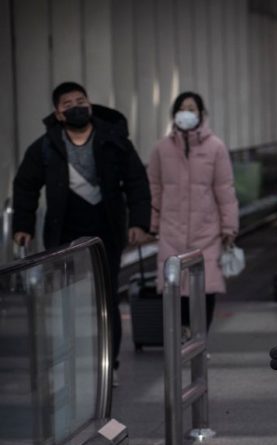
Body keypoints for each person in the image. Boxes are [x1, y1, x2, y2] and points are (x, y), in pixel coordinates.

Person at [12, 81, 151, 383]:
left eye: (81, 100)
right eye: (68, 104)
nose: (76, 107)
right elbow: (25, 186)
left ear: (89, 103)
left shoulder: (114, 140)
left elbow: (137, 181)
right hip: (63, 235)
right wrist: (22, 226)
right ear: (58, 113)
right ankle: (68, 359)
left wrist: (139, 222)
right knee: (64, 300)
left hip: (107, 233)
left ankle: (109, 364)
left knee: (107, 298)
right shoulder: (46, 147)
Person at [147, 92, 239, 333]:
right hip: (171, 230)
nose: (187, 113)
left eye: (192, 108)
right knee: (174, 286)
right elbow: (154, 188)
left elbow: (225, 190)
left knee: (205, 287)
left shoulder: (216, 148)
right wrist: (152, 224)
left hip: (206, 230)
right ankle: (181, 336)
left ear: (201, 114)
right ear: (174, 114)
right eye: (182, 108)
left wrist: (229, 227)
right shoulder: (161, 149)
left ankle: (200, 337)